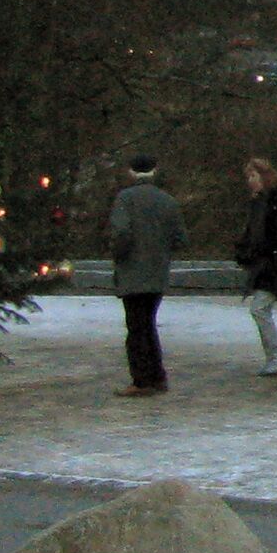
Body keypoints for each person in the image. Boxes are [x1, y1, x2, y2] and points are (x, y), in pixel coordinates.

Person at [107, 155, 186, 397]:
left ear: (131, 172)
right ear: (155, 171)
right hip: (157, 273)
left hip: (132, 272)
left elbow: (121, 232)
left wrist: (118, 255)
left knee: (136, 327)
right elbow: (180, 239)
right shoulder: (168, 201)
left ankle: (141, 380)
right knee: (148, 324)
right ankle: (157, 376)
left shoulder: (125, 199)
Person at [233, 154, 277, 378]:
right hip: (264, 264)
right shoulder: (260, 203)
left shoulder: (275, 203)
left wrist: (257, 252)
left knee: (259, 309)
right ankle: (275, 355)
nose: (250, 180)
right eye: (249, 176)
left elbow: (275, 236)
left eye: (253, 175)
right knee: (260, 309)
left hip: (272, 265)